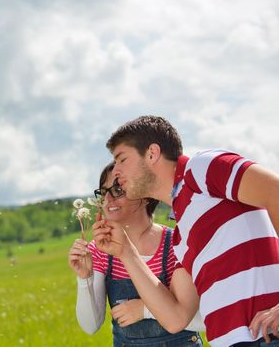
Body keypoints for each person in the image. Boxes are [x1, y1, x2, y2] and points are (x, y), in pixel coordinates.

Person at [94, 115, 279, 346]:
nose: (117, 173)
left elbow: (275, 191)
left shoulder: (200, 169)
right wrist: (126, 252)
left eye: (122, 159)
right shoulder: (182, 233)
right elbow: (176, 318)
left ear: (152, 153)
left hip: (268, 337)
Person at [69, 161, 204, 346]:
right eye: (103, 191)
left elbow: (206, 320)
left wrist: (145, 310)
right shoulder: (99, 251)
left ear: (146, 194)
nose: (108, 199)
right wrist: (85, 279)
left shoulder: (176, 245)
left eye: (118, 189)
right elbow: (90, 326)